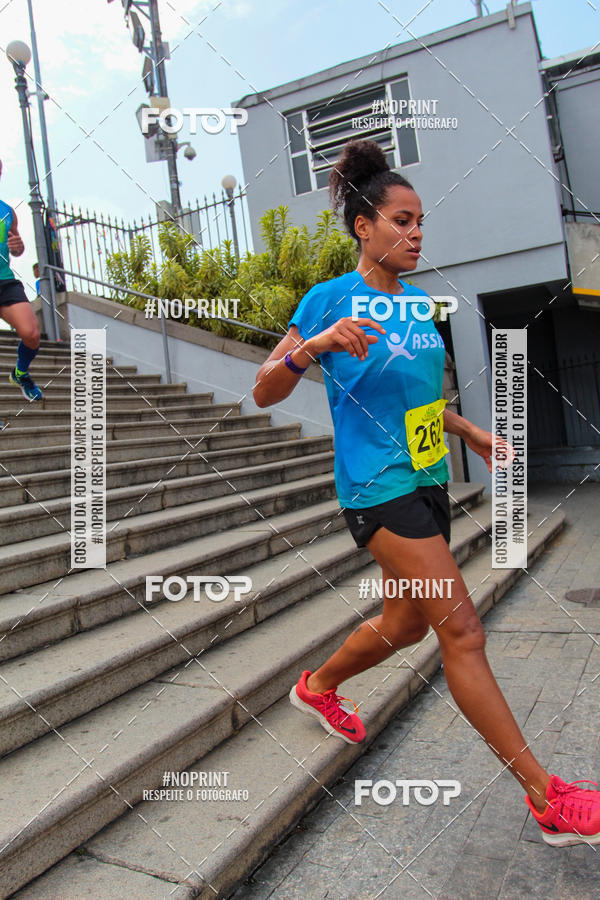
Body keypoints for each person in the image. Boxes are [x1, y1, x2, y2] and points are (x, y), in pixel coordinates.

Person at [252, 139, 600, 847]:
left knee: (407, 623)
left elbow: (416, 400)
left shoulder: (416, 307)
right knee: (461, 629)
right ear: (364, 226)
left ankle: (315, 688)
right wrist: (312, 346)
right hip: (377, 490)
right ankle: (546, 797)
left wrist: (467, 429)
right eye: (402, 221)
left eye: (420, 223)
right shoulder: (329, 300)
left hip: (427, 478)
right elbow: (264, 389)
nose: (415, 235)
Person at [0, 159, 43, 403]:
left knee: (31, 333)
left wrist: (17, 246)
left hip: (5, 281)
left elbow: (17, 248)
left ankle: (20, 373)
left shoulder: (7, 211)